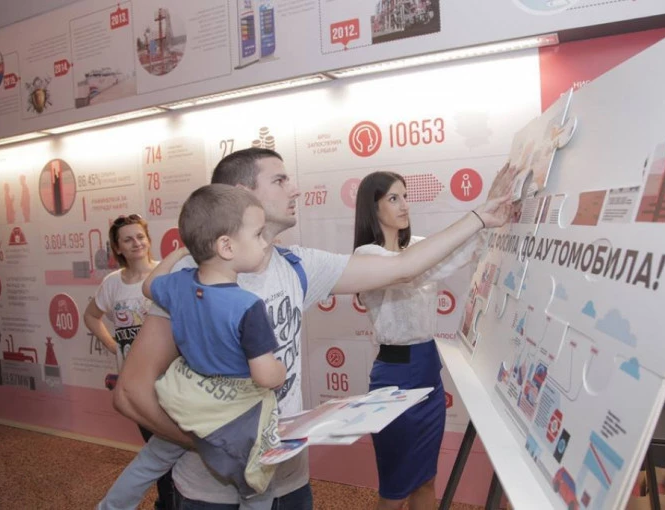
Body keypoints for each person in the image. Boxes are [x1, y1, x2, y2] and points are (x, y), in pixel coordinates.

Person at [113, 148, 509, 509]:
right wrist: (215, 444)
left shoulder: (299, 265)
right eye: (280, 180)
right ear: (241, 194)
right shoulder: (189, 279)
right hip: (211, 496)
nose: (296, 189)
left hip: (290, 483)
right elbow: (130, 393)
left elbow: (404, 267)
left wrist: (479, 218)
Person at [99, 185, 285, 510]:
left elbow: (148, 286)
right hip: (230, 413)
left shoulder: (180, 284)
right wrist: (280, 370)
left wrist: (181, 252)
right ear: (226, 246)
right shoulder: (248, 306)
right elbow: (266, 376)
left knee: (151, 460)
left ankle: (110, 507)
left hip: (185, 401)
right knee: (258, 485)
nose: (265, 242)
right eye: (258, 234)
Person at [353, 171, 498, 510]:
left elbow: (460, 254)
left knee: (426, 479)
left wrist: (493, 215)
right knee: (395, 489)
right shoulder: (366, 255)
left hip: (429, 374)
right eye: (393, 198)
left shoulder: (417, 246)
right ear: (372, 207)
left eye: (405, 196)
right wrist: (476, 220)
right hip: (394, 378)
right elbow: (416, 270)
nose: (404, 205)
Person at [83, 214, 174, 510]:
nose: (136, 243)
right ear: (118, 247)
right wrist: (113, 346)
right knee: (157, 449)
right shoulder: (112, 284)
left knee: (170, 451)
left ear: (148, 239)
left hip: (171, 379)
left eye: (140, 236)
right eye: (128, 239)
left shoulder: (165, 273)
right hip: (136, 385)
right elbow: (91, 316)